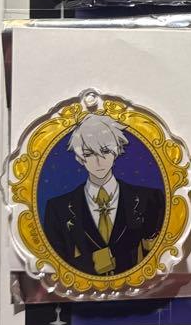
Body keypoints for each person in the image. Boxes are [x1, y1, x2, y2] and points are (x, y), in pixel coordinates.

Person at [42, 113, 164, 277]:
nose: (98, 161)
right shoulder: (58, 208)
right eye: (89, 153)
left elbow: (160, 258)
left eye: (105, 151)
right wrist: (100, 260)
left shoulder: (150, 199)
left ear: (116, 151)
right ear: (80, 158)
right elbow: (53, 267)